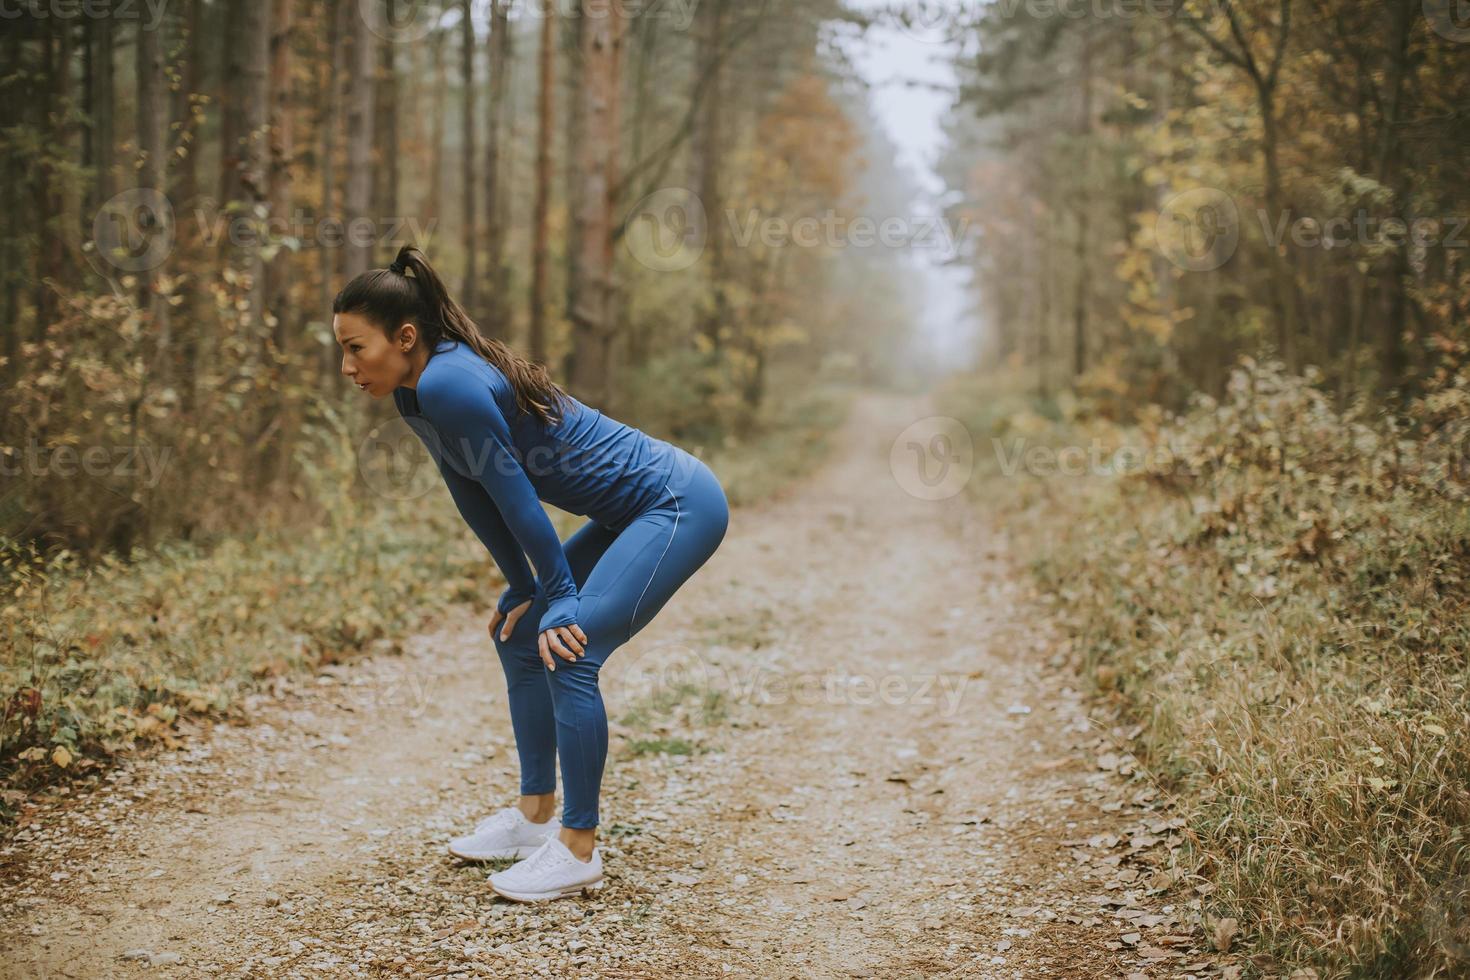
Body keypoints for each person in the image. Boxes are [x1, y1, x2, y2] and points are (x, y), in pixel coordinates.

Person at [331, 245, 729, 902]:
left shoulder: (449, 384)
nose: (346, 367)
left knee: (567, 647)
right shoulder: (416, 394)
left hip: (676, 502)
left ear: (405, 338)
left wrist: (562, 597)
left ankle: (577, 849)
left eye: (355, 348)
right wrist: (524, 586)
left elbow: (518, 498)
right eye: (340, 351)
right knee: (519, 633)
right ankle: (535, 815)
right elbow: (472, 492)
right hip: (627, 511)